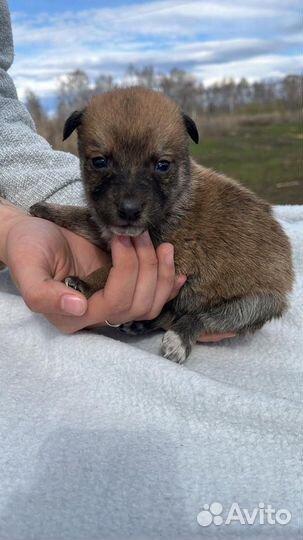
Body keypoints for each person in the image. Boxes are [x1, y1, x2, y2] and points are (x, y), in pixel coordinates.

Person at [1, 2, 301, 539]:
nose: (132, 198)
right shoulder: (119, 192)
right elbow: (112, 233)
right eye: (101, 164)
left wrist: (77, 271)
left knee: (251, 303)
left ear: (183, 160)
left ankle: (185, 325)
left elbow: (137, 248)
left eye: (161, 168)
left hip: (244, 291)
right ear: (78, 143)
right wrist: (33, 218)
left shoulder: (193, 211)